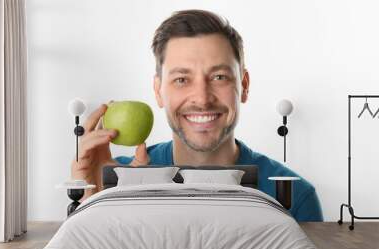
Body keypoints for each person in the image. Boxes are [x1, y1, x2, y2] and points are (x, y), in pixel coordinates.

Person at [71, 9, 323, 222]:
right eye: (182, 79)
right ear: (158, 91)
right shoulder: (118, 180)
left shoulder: (295, 197)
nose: (202, 98)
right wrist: (93, 203)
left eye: (219, 77)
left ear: (244, 85)